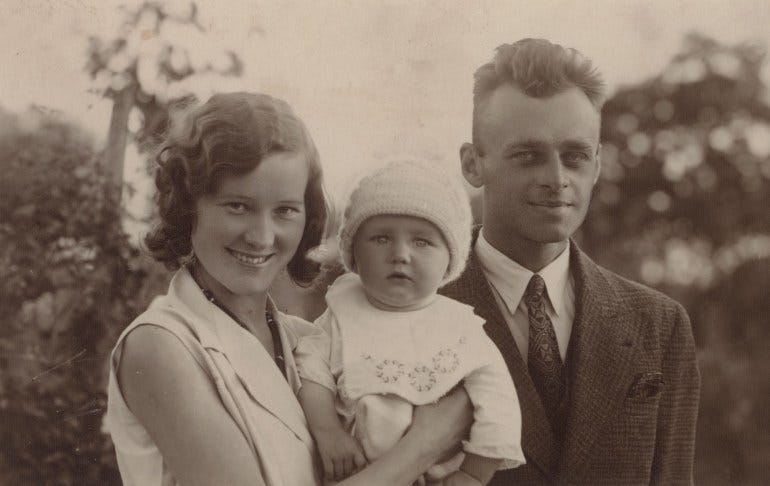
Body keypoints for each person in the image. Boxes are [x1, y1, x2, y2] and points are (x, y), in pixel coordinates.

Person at [104, 92, 473, 486]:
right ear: (188, 204)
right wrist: (425, 445)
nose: (262, 238)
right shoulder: (160, 345)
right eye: (237, 206)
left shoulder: (308, 340)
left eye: (285, 211)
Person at [440, 39, 700, 485]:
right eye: (528, 156)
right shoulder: (411, 305)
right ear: (472, 164)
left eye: (575, 157)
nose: (558, 180)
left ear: (597, 165)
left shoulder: (659, 325)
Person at [295, 160, 525, 485]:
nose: (400, 254)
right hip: (352, 469)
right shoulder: (342, 312)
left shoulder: (459, 328)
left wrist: (473, 473)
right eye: (380, 239)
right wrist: (329, 432)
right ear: (353, 254)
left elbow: (499, 404)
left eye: (422, 242)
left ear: (449, 260)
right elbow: (311, 372)